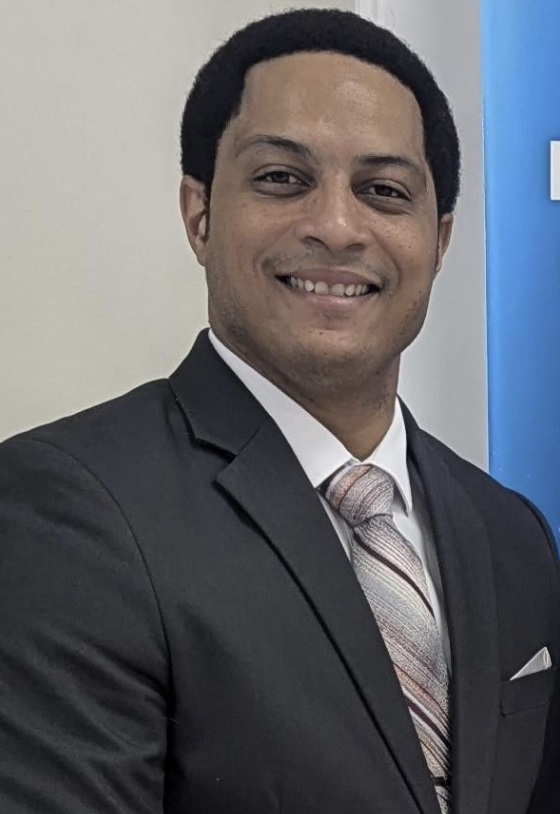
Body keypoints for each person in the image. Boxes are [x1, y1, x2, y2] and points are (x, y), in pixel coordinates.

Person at [0, 8, 558, 814]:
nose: (336, 226)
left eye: (383, 191)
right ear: (199, 214)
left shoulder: (511, 533)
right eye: (281, 179)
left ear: (438, 241)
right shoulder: (65, 515)